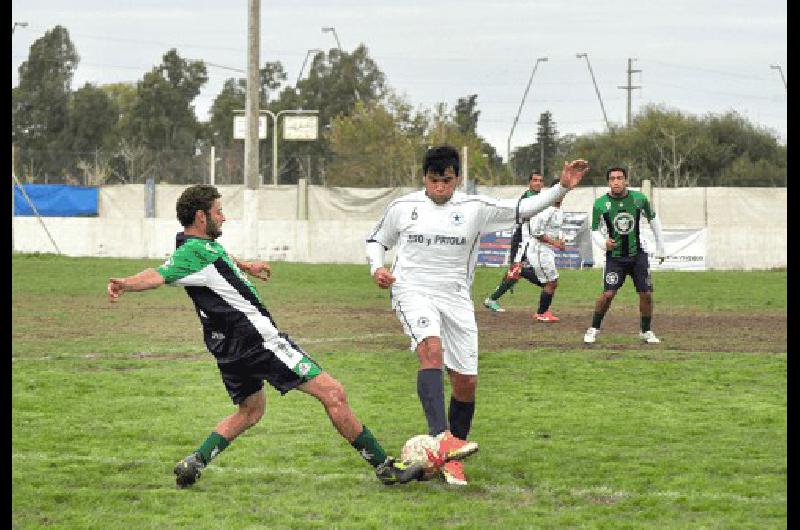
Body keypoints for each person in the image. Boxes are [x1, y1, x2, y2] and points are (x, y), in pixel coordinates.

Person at [107, 184, 424, 488]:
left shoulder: (197, 247)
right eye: (218, 211)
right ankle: (386, 468)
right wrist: (126, 283)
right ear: (201, 217)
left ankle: (195, 462)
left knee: (251, 410)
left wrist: (247, 266)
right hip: (259, 342)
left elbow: (216, 261)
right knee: (333, 393)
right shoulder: (192, 253)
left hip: (228, 349)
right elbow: (157, 276)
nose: (223, 217)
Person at [366, 146, 589, 485]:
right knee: (431, 350)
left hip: (456, 297)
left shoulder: (475, 208)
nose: (440, 187)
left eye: (447, 180)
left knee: (466, 382)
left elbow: (523, 208)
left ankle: (452, 457)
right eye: (433, 180)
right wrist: (376, 267)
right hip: (411, 290)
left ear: (457, 179)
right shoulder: (402, 207)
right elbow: (376, 240)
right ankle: (442, 441)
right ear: (423, 178)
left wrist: (562, 187)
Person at [583, 167, 666, 345]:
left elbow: (653, 219)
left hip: (638, 255)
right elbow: (594, 230)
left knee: (646, 294)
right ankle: (594, 328)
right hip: (615, 258)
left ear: (626, 180)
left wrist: (661, 246)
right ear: (608, 182)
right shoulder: (600, 204)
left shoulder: (639, 199)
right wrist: (603, 243)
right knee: (608, 294)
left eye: (620, 178)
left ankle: (646, 331)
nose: (616, 182)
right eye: (612, 178)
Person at [483, 171, 544, 312]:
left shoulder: (539, 198)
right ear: (529, 183)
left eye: (540, 180)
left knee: (516, 273)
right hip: (522, 240)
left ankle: (492, 298)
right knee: (517, 272)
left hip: (530, 241)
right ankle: (491, 299)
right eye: (535, 180)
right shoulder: (528, 197)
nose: (538, 183)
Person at [512, 187, 566, 322]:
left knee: (550, 282)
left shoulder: (558, 210)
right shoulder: (544, 210)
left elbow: (556, 229)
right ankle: (541, 313)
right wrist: (555, 243)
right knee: (551, 282)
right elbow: (536, 232)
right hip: (539, 250)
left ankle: (543, 312)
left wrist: (560, 240)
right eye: (559, 193)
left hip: (547, 250)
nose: (561, 196)